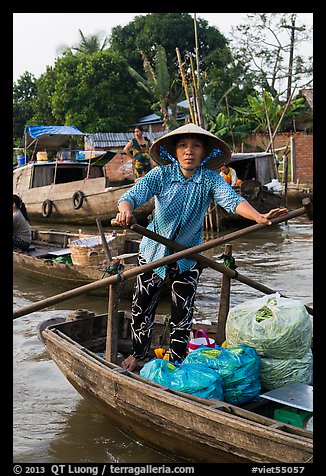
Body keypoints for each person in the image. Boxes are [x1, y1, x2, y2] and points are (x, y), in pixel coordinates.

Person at [115, 123, 288, 371]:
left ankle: (176, 362)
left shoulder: (210, 179)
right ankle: (137, 353)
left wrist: (258, 216)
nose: (189, 151)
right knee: (142, 306)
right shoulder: (161, 175)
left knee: (182, 313)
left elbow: (232, 200)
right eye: (183, 146)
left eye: (196, 146)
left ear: (204, 152)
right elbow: (130, 197)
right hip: (154, 252)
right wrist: (125, 213)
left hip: (188, 256)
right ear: (174, 151)